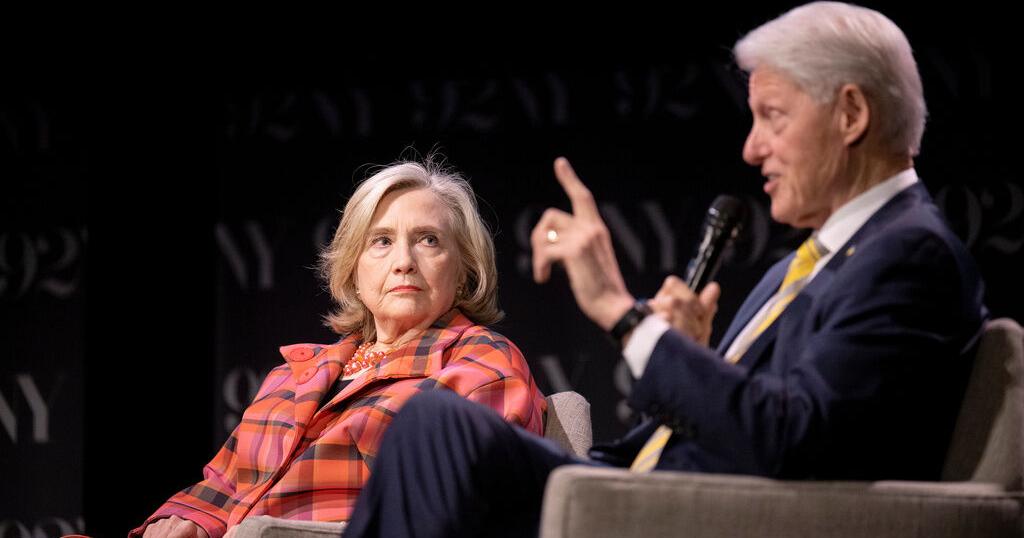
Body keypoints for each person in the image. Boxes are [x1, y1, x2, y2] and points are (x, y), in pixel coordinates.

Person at [341, 3, 988, 537]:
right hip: (635, 487)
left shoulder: (909, 255)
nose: (752, 148)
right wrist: (692, 358)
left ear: (851, 115)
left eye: (773, 116)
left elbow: (793, 439)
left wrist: (626, 317)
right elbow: (745, 422)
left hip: (687, 516)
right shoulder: (809, 265)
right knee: (434, 425)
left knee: (435, 428)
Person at [130, 159, 546, 538]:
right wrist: (190, 517)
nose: (403, 261)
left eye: (428, 240)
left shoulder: (481, 359)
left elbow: (475, 504)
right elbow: (226, 480)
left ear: (463, 271)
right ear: (353, 271)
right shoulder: (293, 374)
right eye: (381, 241)